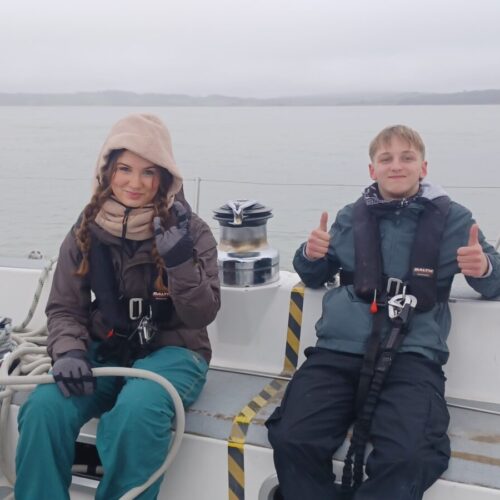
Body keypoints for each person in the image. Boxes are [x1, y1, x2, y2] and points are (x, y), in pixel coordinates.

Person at [266, 124, 500, 500]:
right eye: (386, 158)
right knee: (292, 438)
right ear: (372, 170)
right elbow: (313, 276)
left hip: (411, 356)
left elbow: (495, 283)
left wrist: (484, 267)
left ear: (423, 167)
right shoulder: (348, 217)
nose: (396, 166)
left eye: (407, 158)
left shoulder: (456, 219)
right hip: (337, 351)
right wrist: (309, 255)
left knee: (409, 457)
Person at [15, 113, 221, 499]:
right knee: (44, 408)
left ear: (165, 177)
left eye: (148, 172)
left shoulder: (192, 232)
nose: (134, 183)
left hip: (175, 350)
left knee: (137, 412)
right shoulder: (86, 228)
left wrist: (179, 263)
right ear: (107, 170)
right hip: (106, 348)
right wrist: (69, 351)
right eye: (124, 168)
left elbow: (202, 313)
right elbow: (64, 307)